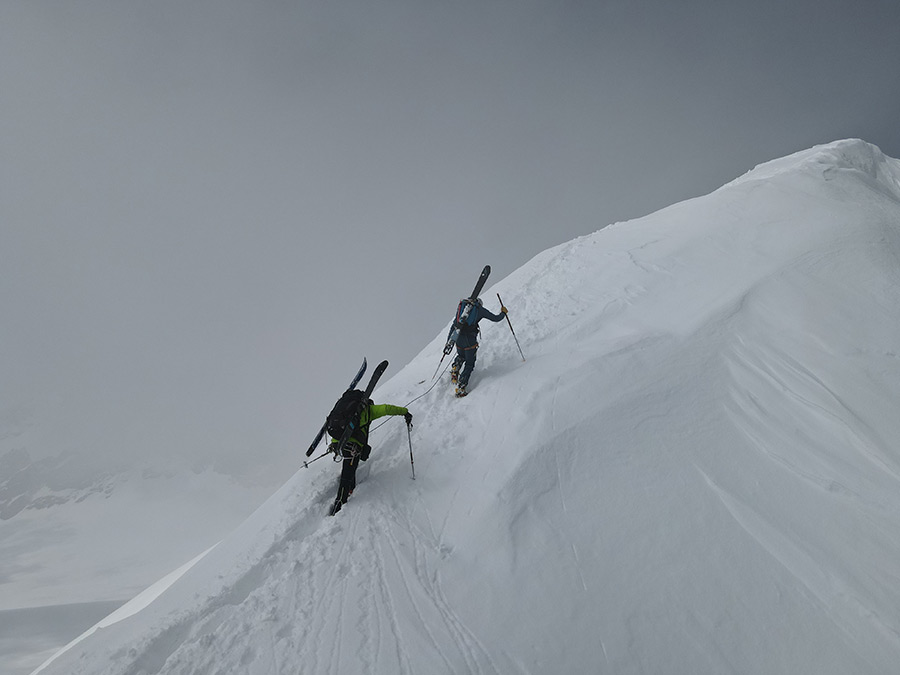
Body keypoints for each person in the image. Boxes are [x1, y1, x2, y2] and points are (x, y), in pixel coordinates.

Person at [328, 397, 412, 514]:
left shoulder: (345, 409)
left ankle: (350, 488)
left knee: (350, 466)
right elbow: (386, 409)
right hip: (353, 445)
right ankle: (340, 502)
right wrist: (405, 412)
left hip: (337, 442)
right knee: (348, 471)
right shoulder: (369, 410)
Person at [449, 297, 507, 397]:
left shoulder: (462, 309)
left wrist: (449, 341)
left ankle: (455, 368)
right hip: (470, 340)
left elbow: (454, 325)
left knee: (461, 355)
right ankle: (461, 386)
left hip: (458, 338)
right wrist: (503, 313)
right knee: (469, 363)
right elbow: (496, 318)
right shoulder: (480, 309)